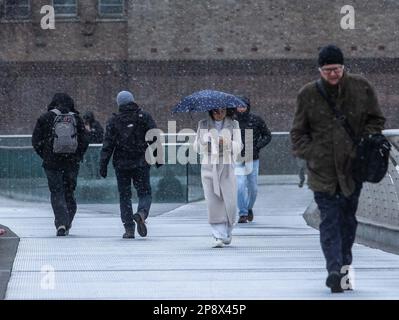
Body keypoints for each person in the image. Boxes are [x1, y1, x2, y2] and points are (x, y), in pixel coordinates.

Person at [290, 45, 385, 293]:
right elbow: (298, 132)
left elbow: (376, 119)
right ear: (320, 70)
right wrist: (311, 154)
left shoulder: (361, 87)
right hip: (322, 171)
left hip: (354, 168)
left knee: (348, 222)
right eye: (328, 70)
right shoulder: (308, 94)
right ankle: (334, 269)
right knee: (330, 221)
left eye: (337, 69)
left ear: (344, 67)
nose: (333, 74)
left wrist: (365, 141)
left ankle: (344, 267)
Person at [99, 91, 158, 239]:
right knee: (144, 192)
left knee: (124, 196)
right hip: (141, 163)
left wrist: (103, 164)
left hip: (121, 164)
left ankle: (129, 229)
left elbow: (108, 144)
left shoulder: (114, 121)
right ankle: (142, 213)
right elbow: (154, 138)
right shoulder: (144, 117)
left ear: (119, 104)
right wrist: (158, 158)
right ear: (133, 101)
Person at [32, 93, 89, 236]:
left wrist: (45, 155)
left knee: (57, 192)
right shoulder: (75, 118)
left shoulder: (45, 118)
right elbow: (85, 140)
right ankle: (67, 221)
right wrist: (77, 155)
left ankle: (61, 223)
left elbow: (35, 140)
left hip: (52, 163)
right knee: (69, 192)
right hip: (71, 163)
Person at [193, 107, 242, 248]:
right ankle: (218, 235)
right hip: (209, 165)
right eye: (215, 111)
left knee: (230, 201)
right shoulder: (203, 124)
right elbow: (196, 147)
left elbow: (239, 146)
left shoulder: (234, 124)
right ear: (210, 112)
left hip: (227, 165)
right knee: (213, 201)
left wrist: (226, 142)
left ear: (227, 111)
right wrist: (204, 140)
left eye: (222, 111)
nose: (219, 114)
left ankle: (227, 230)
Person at [234, 96, 272, 223]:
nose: (241, 109)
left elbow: (267, 135)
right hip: (237, 158)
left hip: (253, 158)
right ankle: (243, 213)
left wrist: (257, 146)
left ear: (247, 106)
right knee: (239, 186)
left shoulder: (256, 120)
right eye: (238, 106)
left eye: (243, 106)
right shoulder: (231, 121)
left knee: (253, 188)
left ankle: (249, 208)